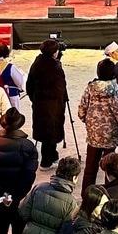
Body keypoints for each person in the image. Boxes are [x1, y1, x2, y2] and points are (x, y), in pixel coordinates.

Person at [78, 59, 118, 198]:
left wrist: (90, 124)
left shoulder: (89, 89)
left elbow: (81, 111)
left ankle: (87, 196)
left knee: (90, 169)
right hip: (113, 138)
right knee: (111, 170)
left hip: (94, 137)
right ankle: (108, 197)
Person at [25, 38, 69, 168]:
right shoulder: (54, 67)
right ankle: (47, 160)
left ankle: (51, 156)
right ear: (54, 52)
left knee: (45, 130)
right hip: (53, 105)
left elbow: (29, 85)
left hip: (39, 103)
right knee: (51, 131)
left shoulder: (37, 63)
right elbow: (61, 87)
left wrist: (35, 98)